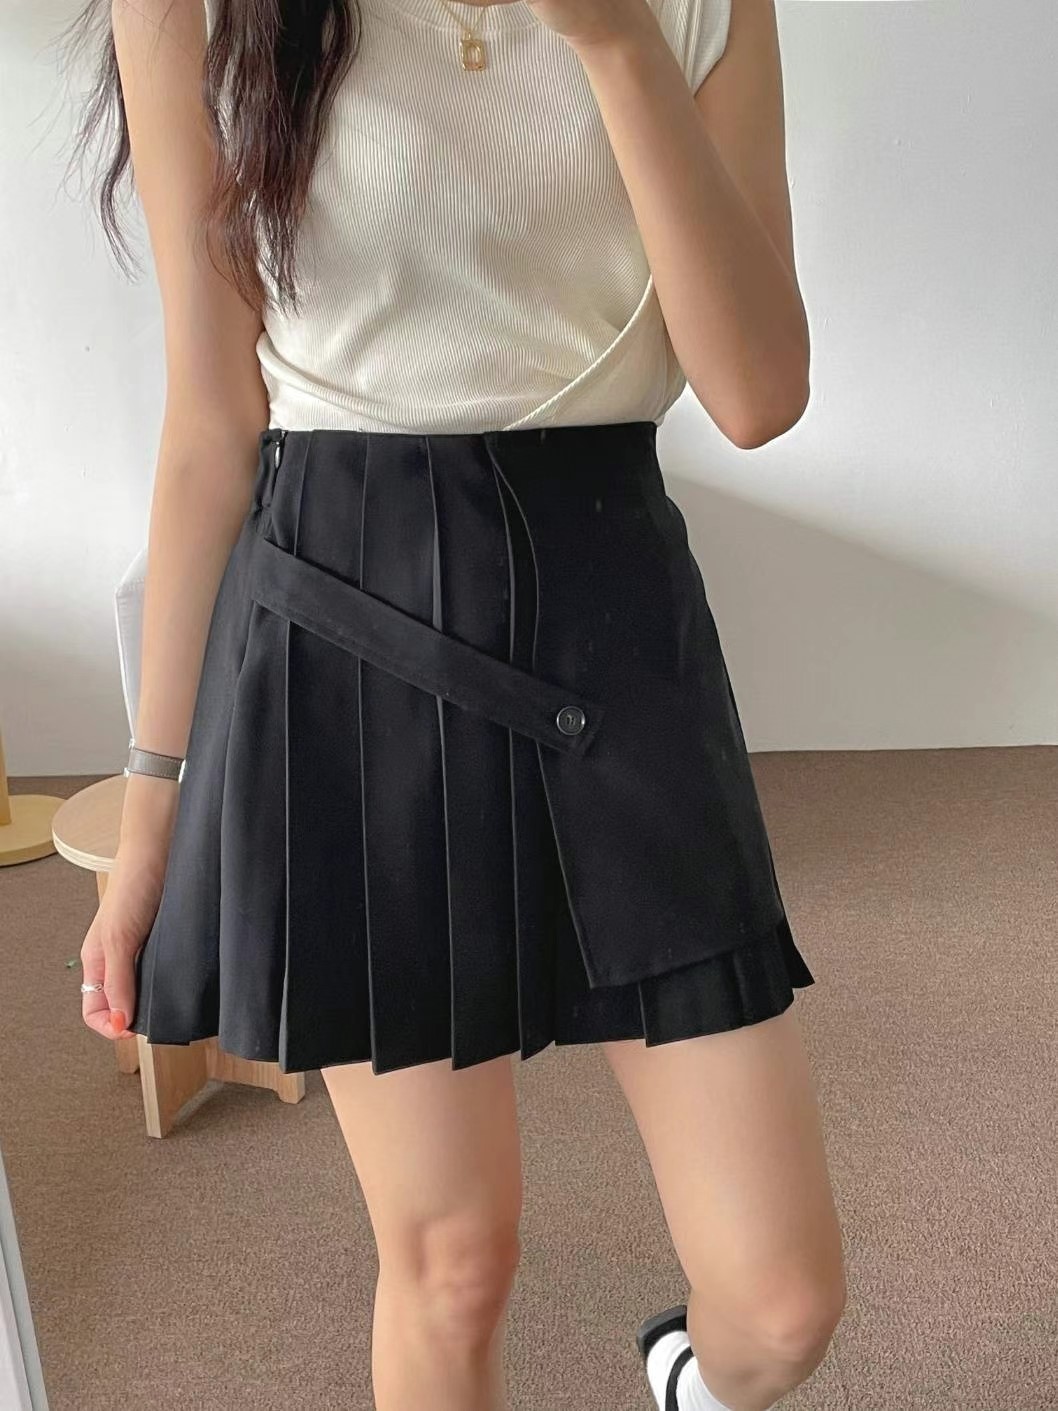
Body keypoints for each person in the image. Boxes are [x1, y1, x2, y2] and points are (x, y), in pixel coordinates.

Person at [65, 0, 846, 1406]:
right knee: (452, 1261)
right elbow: (210, 429)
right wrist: (149, 819)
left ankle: (689, 1374)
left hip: (611, 615)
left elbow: (756, 391)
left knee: (783, 1302)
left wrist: (614, 42)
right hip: (346, 621)